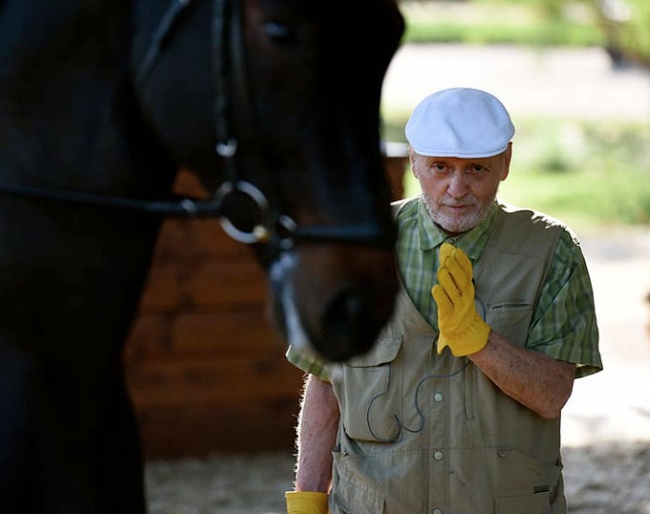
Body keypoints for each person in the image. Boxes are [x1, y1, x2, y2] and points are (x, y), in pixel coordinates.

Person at [283, 87, 602, 514]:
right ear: (414, 160)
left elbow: (551, 395)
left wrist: (481, 343)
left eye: (476, 169)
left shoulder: (552, 252)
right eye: (439, 167)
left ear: (505, 162)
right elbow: (325, 384)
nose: (457, 188)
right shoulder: (356, 248)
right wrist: (307, 500)